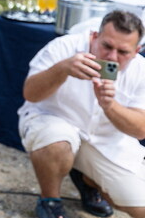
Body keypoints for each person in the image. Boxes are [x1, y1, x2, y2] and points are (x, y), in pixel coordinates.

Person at [18, 11, 145, 218]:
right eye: (107, 46)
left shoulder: (141, 69)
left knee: (141, 208)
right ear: (95, 37)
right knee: (57, 142)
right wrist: (63, 69)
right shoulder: (64, 47)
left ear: (137, 50)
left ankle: (87, 180)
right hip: (55, 124)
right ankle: (50, 200)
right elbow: (30, 93)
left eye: (123, 52)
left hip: (104, 142)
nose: (112, 57)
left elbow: (141, 129)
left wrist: (110, 106)